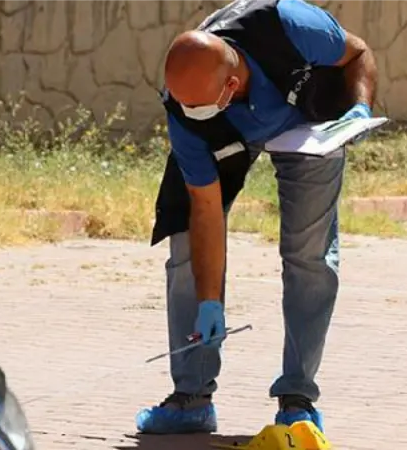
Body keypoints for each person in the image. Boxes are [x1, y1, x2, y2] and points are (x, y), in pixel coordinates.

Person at [136, 0, 378, 435]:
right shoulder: (188, 113)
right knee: (187, 245)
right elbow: (205, 210)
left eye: (200, 105)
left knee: (309, 255)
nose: (189, 112)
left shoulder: (290, 25)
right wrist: (209, 302)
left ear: (230, 86)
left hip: (310, 121)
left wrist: (358, 107)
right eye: (184, 103)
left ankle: (297, 399)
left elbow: (358, 54)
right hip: (230, 137)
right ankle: (192, 397)